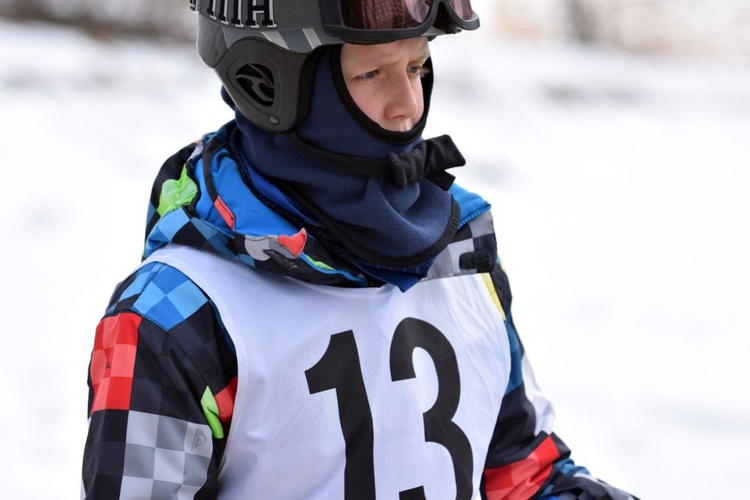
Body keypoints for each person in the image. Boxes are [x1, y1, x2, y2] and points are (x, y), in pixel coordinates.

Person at [82, 0, 638, 498]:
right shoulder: (175, 315)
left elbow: (518, 473)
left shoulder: (459, 249)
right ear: (270, 83)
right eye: (371, 72)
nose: (408, 107)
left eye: (417, 66)